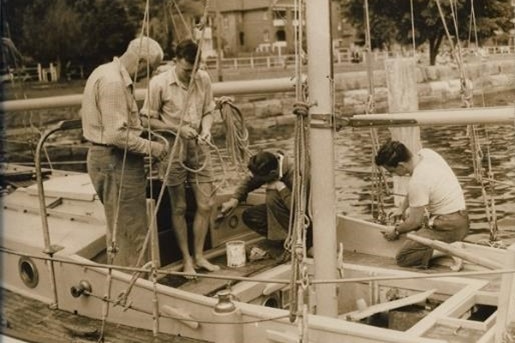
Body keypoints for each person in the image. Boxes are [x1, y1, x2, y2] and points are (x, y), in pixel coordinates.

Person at [81, 36, 168, 267]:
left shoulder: (103, 71)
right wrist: (154, 148)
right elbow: (116, 136)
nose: (147, 76)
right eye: (149, 69)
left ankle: (124, 278)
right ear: (140, 61)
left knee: (119, 227)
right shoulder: (113, 83)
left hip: (107, 160)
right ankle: (138, 285)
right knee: (133, 229)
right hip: (115, 162)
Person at [140, 39, 219, 275]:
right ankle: (186, 259)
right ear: (176, 62)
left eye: (195, 70)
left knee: (206, 204)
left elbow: (208, 110)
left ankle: (200, 256)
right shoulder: (159, 84)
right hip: (172, 147)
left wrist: (206, 130)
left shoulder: (203, 78)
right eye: (187, 70)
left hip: (198, 145)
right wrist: (177, 129)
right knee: (180, 206)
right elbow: (146, 120)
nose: (191, 75)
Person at [374, 140, 469, 269]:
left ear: (401, 165)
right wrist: (402, 208)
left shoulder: (418, 182)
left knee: (403, 258)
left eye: (392, 171)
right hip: (461, 220)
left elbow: (415, 222)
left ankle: (450, 249)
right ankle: (443, 244)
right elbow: (417, 189)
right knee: (411, 221)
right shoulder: (426, 154)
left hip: (449, 227)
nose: (393, 175)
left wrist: (395, 231)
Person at [220, 150, 313, 251]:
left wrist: (281, 188)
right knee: (251, 215)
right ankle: (283, 240)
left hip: (303, 218)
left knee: (272, 195)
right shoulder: (270, 165)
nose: (258, 180)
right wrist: (235, 199)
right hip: (285, 211)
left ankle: (302, 243)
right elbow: (250, 181)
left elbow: (300, 210)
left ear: (272, 173)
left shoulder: (296, 174)